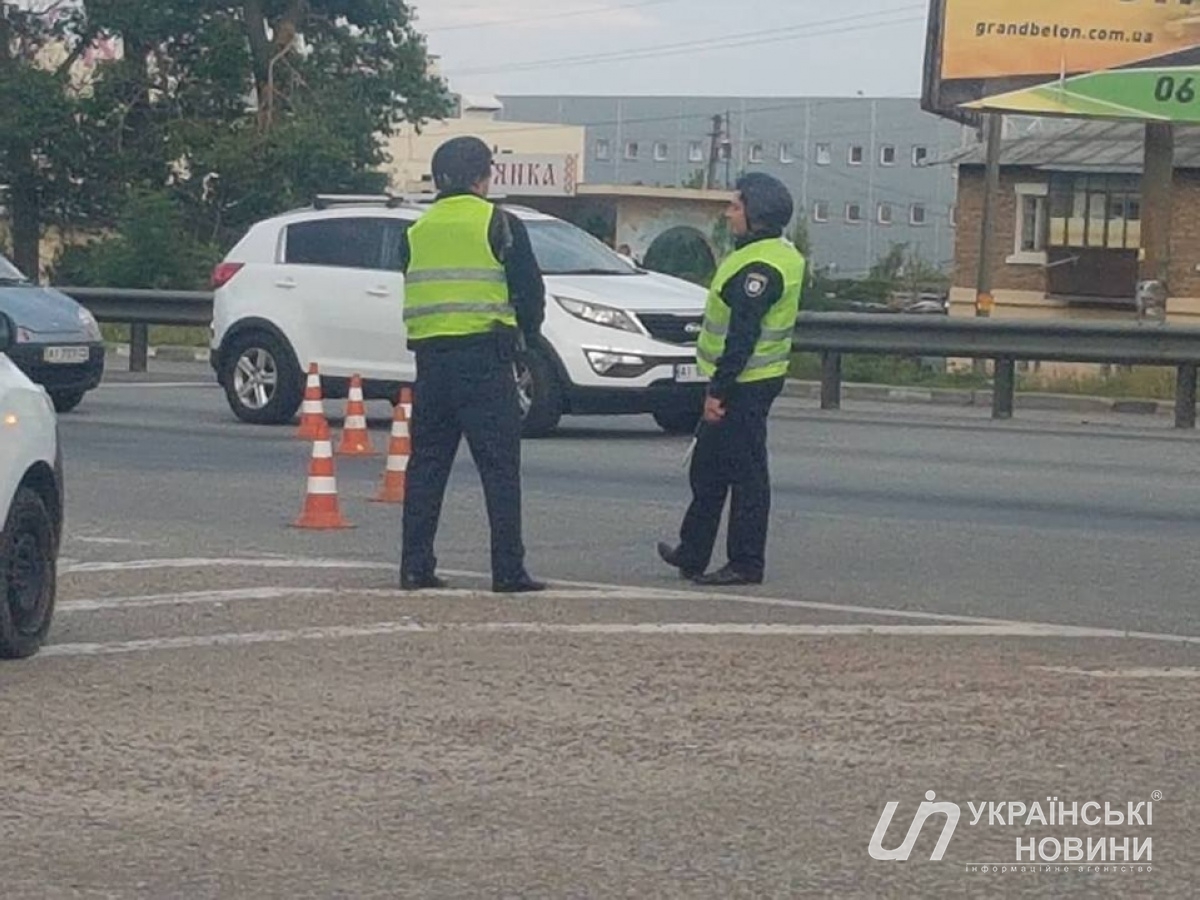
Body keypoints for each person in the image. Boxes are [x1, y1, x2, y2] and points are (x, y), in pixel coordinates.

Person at [398, 135, 547, 593]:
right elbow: (530, 293)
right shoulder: (499, 222)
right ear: (484, 177)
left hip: (430, 364)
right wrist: (526, 340)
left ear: (438, 178)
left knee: (426, 466)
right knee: (499, 469)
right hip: (485, 359)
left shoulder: (416, 230)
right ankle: (507, 570)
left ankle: (414, 566)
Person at [657, 172, 805, 586]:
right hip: (742, 379)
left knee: (746, 475)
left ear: (756, 215)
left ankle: (745, 562)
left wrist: (718, 392)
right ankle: (693, 551)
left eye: (736, 206)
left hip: (745, 383)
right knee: (708, 468)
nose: (729, 213)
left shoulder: (761, 266)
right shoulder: (764, 252)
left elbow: (742, 335)